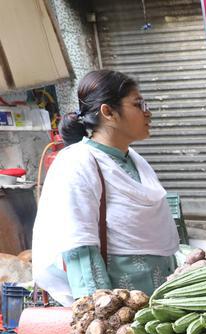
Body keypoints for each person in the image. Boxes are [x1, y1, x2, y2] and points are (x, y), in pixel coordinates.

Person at [33, 69, 178, 305]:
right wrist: (101, 313)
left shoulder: (136, 162)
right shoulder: (77, 163)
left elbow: (162, 242)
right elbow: (79, 247)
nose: (148, 112)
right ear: (108, 111)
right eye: (138, 104)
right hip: (117, 312)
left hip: (158, 306)